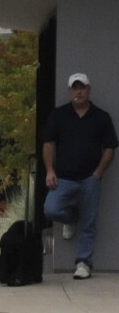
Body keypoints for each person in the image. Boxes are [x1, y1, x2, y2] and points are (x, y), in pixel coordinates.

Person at [44, 71, 119, 279]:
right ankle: (71, 218)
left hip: (89, 179)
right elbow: (49, 143)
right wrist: (50, 170)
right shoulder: (58, 115)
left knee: (90, 222)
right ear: (70, 91)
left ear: (89, 89)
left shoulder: (101, 117)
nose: (79, 91)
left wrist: (97, 173)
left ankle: (83, 263)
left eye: (82, 87)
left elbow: (110, 147)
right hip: (63, 178)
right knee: (51, 209)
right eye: (75, 88)